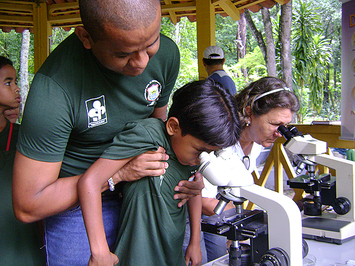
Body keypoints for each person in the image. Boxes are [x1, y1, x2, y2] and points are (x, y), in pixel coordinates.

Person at [12, 1, 203, 265]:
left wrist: (184, 175)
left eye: (151, 44)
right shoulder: (54, 90)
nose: (142, 62)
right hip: (74, 206)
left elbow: (160, 132)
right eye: (124, 54)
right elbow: (28, 205)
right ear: (86, 37)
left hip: (138, 188)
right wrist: (118, 173)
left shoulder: (167, 54)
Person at [77, 79, 241, 266]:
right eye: (200, 151)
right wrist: (100, 252)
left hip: (172, 249)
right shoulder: (147, 135)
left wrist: (195, 241)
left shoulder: (192, 155)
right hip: (137, 253)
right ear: (173, 127)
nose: (202, 158)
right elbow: (89, 182)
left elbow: (194, 188)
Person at [184, 76, 300, 263]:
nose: (280, 133)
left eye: (284, 127)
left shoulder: (256, 144)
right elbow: (204, 199)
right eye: (275, 124)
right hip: (188, 212)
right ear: (249, 112)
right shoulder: (220, 140)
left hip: (216, 215)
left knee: (220, 257)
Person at [0, 56, 46, 265]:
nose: (17, 88)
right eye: (8, 82)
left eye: (15, 81)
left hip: (22, 246)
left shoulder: (24, 138)